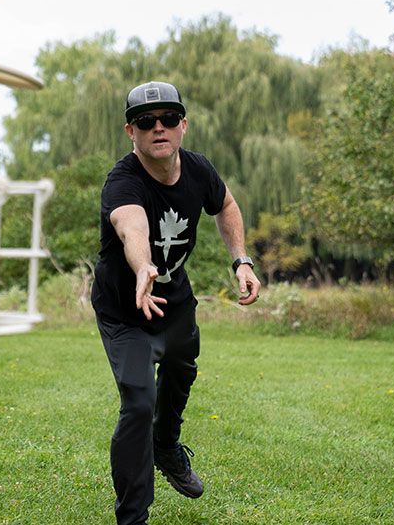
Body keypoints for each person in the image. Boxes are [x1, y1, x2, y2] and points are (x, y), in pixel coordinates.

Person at [91, 80, 261, 525]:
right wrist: (144, 266)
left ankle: (166, 446)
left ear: (183, 125)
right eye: (146, 122)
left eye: (168, 119)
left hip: (176, 301)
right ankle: (133, 518)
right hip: (125, 308)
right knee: (139, 400)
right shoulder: (122, 181)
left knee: (183, 368)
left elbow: (226, 206)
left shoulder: (199, 171)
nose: (158, 128)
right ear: (131, 132)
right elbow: (131, 227)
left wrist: (240, 260)